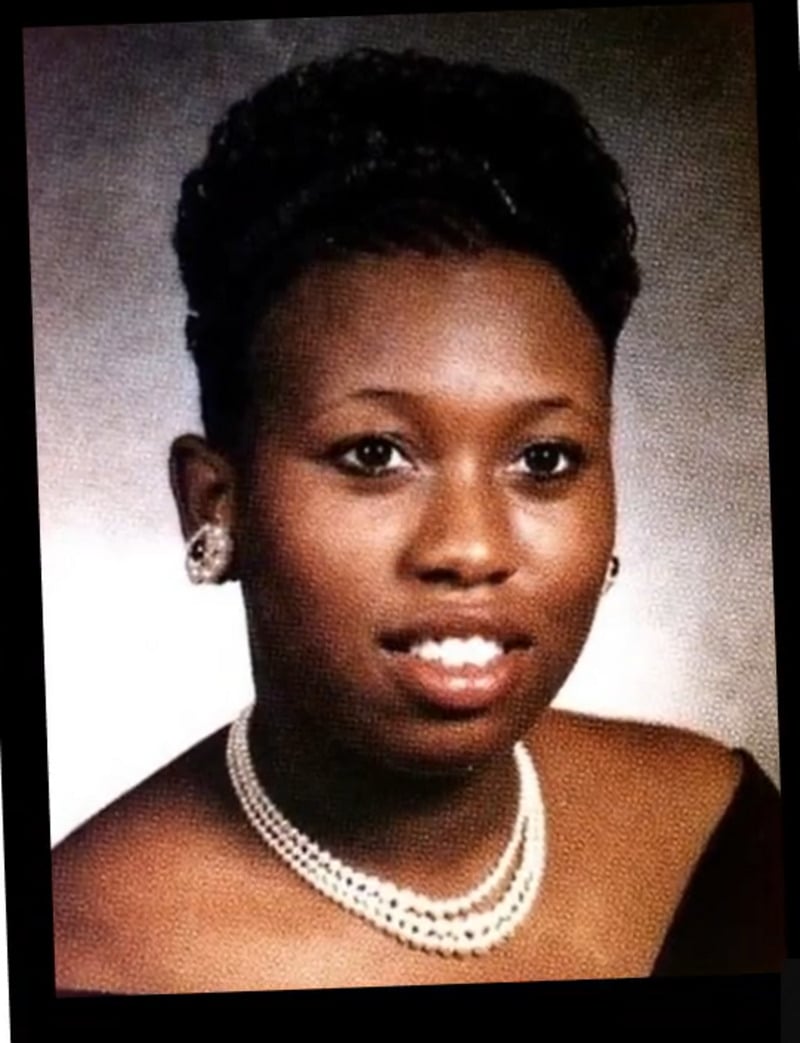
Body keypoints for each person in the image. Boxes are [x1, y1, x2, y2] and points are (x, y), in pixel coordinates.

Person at [51, 48, 783, 994]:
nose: (470, 548)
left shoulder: (716, 824)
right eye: (373, 455)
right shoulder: (79, 956)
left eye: (544, 460)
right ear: (214, 501)